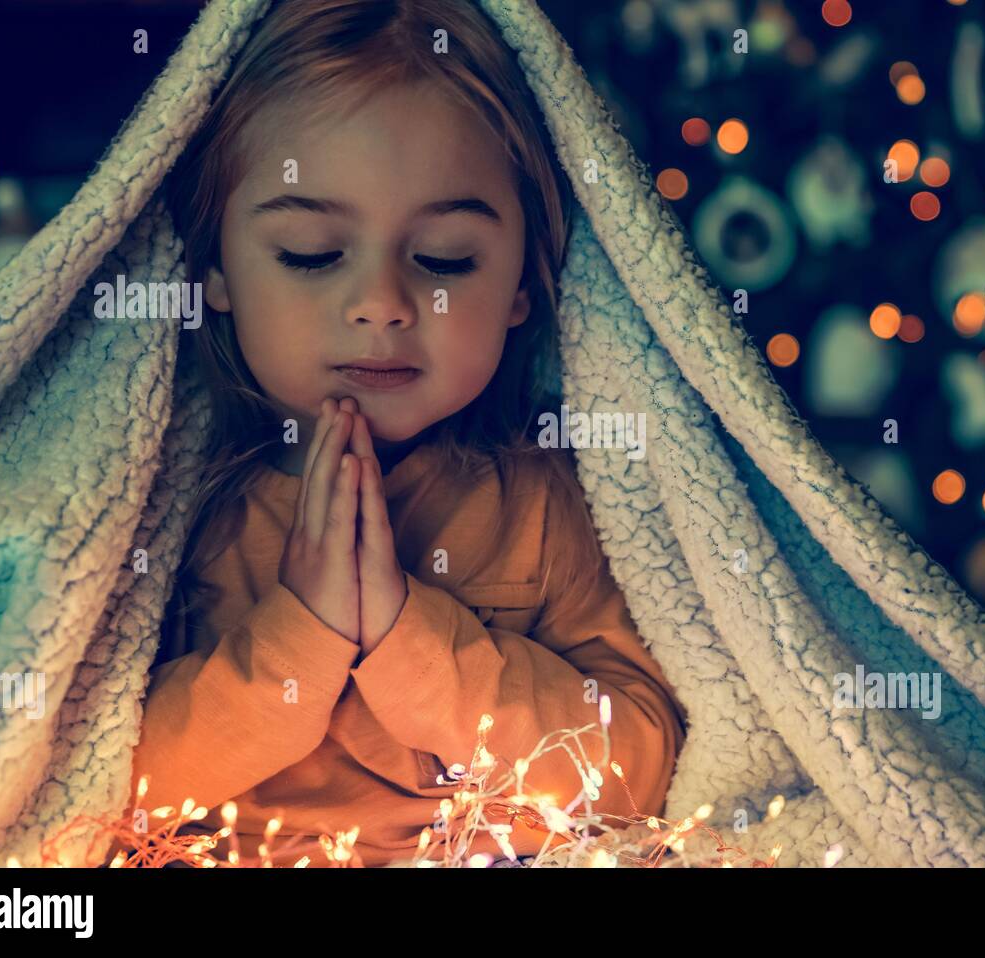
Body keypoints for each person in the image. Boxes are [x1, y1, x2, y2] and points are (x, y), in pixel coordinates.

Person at [125, 0, 687, 868]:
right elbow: (95, 775)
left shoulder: (545, 503)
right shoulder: (169, 504)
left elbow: (637, 775)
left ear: (520, 289)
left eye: (447, 260)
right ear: (216, 272)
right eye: (312, 253)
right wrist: (300, 635)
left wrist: (409, 641)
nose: (383, 304)